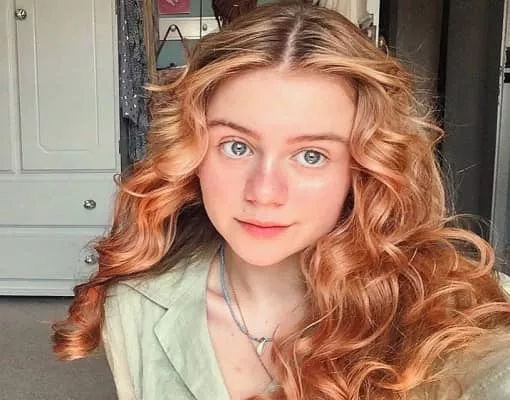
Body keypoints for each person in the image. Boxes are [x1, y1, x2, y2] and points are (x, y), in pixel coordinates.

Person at [52, 2, 510, 399]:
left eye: (311, 155)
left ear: (361, 169)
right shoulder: (134, 306)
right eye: (236, 146)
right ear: (191, 153)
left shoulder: (447, 310)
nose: (264, 192)